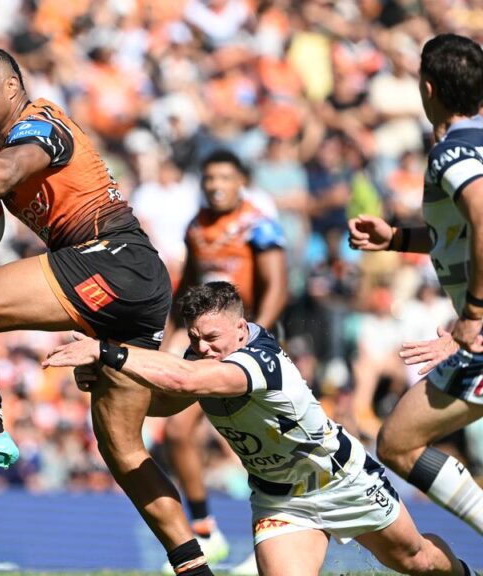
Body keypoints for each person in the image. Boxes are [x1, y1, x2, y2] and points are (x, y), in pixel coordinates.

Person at [0, 47, 211, 575]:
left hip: (113, 258)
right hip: (129, 278)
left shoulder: (42, 123)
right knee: (121, 447)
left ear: (11, 86)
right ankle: (194, 566)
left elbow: (8, 176)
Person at [44, 281, 472, 576]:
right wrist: (105, 381)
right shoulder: (203, 358)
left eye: (211, 337)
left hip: (341, 480)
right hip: (279, 500)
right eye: (194, 339)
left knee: (418, 561)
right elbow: (164, 401)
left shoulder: (259, 362)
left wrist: (106, 351)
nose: (202, 348)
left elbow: (185, 381)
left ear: (240, 326)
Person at [348, 33, 483, 536]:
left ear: (427, 89)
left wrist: (472, 315)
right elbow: (462, 232)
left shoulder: (451, 153)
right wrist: (397, 238)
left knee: (400, 443)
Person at [164, 149, 288, 570]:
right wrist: (168, 333)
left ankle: (283, 533)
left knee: (263, 440)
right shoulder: (196, 226)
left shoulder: (260, 224)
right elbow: (190, 287)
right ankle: (204, 530)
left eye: (224, 178)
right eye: (209, 178)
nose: (216, 185)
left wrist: (255, 338)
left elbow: (277, 286)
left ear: (241, 183)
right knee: (177, 430)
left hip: (251, 345)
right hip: (209, 348)